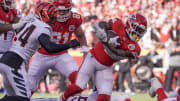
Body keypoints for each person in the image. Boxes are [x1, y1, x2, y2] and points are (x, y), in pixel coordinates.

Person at [0, 2, 80, 101]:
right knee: (24, 98)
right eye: (52, 17)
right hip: (15, 62)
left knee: (11, 96)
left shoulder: (30, 19)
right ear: (44, 15)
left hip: (8, 59)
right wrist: (69, 44)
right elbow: (50, 48)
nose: (54, 20)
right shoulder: (43, 27)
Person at [60, 13, 147, 101]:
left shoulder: (136, 48)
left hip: (105, 67)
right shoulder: (118, 23)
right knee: (78, 87)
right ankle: (62, 99)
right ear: (130, 24)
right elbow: (101, 24)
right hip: (92, 59)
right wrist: (103, 31)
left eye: (141, 31)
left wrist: (106, 42)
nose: (138, 33)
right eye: (138, 29)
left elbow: (118, 54)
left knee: (104, 97)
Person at [28, 0, 88, 94]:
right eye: (59, 10)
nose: (62, 13)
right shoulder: (47, 18)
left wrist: (85, 50)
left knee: (79, 80)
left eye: (65, 10)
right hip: (42, 55)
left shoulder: (74, 19)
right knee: (29, 86)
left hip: (61, 56)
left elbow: (80, 35)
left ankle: (69, 98)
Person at [0, 0, 30, 97]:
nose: (10, 4)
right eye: (8, 2)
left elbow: (21, 33)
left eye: (11, 2)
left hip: (8, 54)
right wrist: (15, 25)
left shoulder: (15, 13)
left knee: (11, 89)